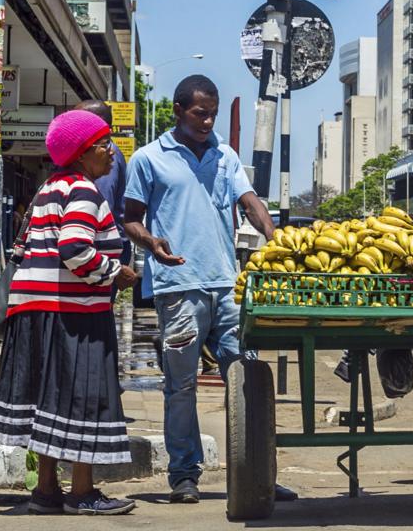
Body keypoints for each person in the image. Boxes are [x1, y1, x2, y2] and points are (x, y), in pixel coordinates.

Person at [123, 75, 281, 504]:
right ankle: (184, 475)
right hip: (178, 288)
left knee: (249, 378)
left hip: (227, 287)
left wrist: (275, 237)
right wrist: (150, 242)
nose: (208, 121)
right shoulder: (148, 158)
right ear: (177, 110)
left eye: (212, 113)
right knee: (181, 386)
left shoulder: (225, 155)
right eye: (199, 113)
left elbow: (250, 202)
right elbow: (131, 217)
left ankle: (260, 472)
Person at [0, 110, 139, 516]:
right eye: (103, 145)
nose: (111, 153)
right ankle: (83, 493)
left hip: (35, 312)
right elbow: (75, 251)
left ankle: (45, 491)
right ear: (80, 154)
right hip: (73, 314)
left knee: (48, 403)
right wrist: (116, 273)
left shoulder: (48, 189)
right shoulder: (85, 191)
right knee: (82, 400)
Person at [74, 100, 133, 267]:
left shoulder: (103, 155)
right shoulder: (91, 153)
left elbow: (101, 204)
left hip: (101, 250)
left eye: (79, 119)